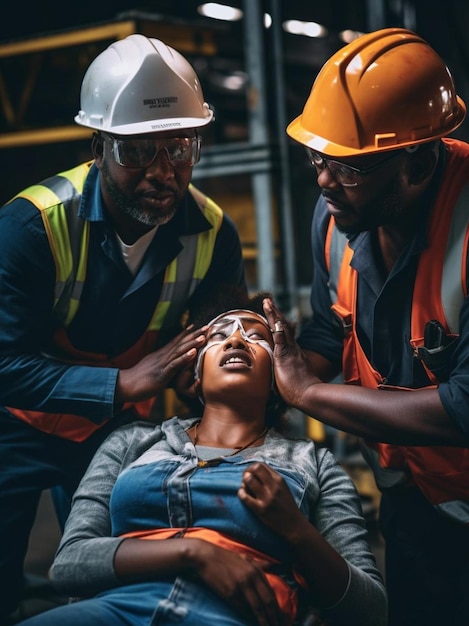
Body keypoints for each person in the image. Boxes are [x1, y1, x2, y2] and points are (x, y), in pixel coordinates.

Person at [0, 33, 247, 621]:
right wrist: (123, 383)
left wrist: (213, 364)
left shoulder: (214, 234)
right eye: (137, 151)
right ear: (99, 146)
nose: (162, 173)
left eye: (180, 147)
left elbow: (210, 346)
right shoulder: (30, 228)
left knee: (112, 580)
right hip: (14, 426)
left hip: (116, 435)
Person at [261, 26, 469, 626]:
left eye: (350, 169)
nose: (325, 183)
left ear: (421, 161)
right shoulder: (336, 217)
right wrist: (277, 374)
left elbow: (467, 404)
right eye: (318, 160)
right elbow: (334, 329)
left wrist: (310, 394)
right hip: (414, 496)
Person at [16, 289, 387, 626]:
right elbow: (70, 565)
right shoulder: (131, 442)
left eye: (256, 336)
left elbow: (369, 611)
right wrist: (193, 553)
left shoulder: (315, 465)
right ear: (195, 372)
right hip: (113, 612)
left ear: (280, 373)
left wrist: (297, 530)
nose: (236, 339)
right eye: (219, 335)